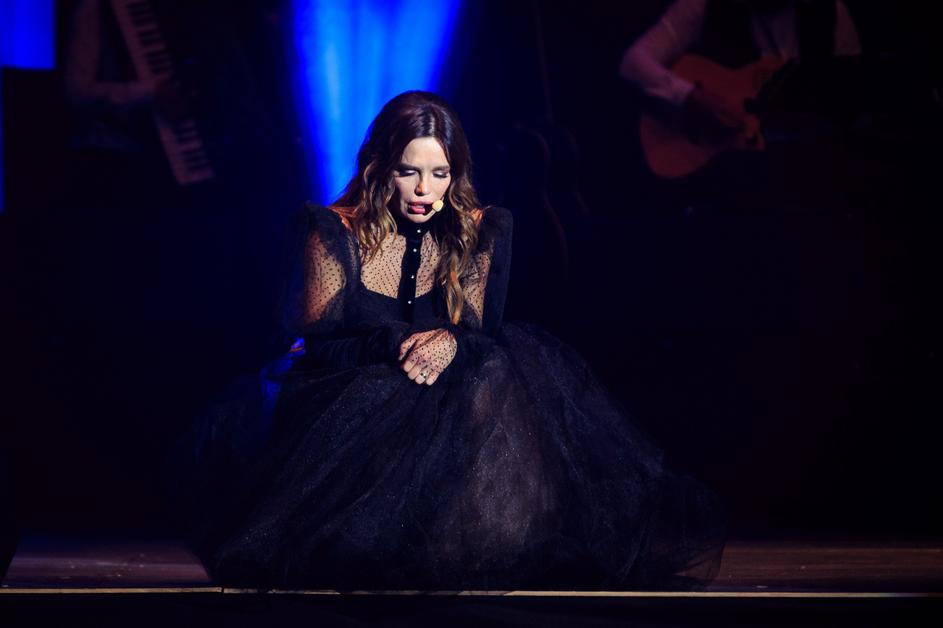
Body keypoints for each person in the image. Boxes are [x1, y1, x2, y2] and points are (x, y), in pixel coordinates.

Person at [170, 91, 725, 590]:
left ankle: (475, 544)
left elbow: (481, 332)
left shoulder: (480, 227)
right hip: (346, 387)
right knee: (389, 395)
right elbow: (321, 343)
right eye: (408, 172)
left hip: (448, 382)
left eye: (439, 173)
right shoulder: (332, 230)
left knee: (494, 372)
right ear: (379, 168)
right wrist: (398, 346)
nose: (423, 190)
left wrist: (450, 344)